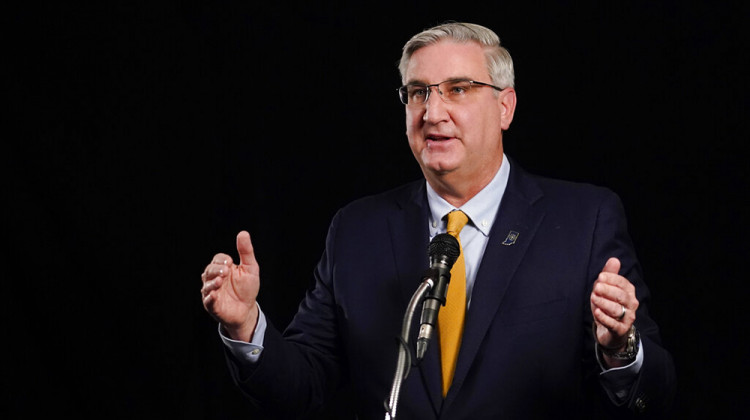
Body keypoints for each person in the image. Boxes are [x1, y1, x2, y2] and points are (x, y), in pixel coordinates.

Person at [200, 22, 676, 419]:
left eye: (458, 89)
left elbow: (654, 391)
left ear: (505, 106)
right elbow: (303, 384)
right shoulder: (357, 230)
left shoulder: (584, 219)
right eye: (417, 93)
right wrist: (246, 327)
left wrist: (620, 347)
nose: (433, 112)